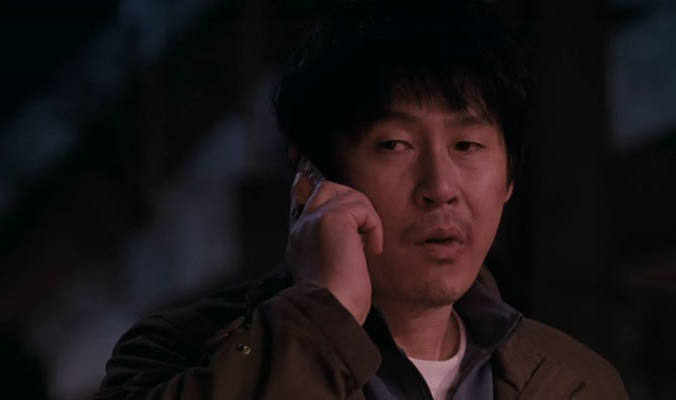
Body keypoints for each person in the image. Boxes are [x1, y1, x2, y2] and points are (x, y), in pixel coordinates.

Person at [95, 1, 629, 399]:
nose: (440, 187)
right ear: (312, 178)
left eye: (467, 146)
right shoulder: (175, 353)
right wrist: (321, 320)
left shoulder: (579, 383)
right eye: (394, 145)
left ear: (509, 178)